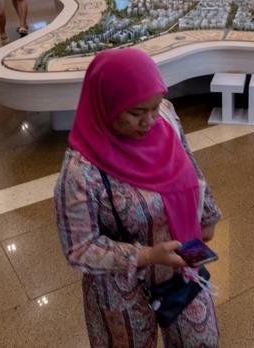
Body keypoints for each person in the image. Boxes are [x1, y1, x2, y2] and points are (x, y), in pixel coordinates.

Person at [55, 48, 221, 348]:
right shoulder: (82, 172)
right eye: (136, 112)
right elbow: (79, 248)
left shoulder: (166, 116)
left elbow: (187, 161)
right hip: (121, 290)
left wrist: (207, 212)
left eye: (154, 107)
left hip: (182, 270)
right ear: (107, 104)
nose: (150, 121)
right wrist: (145, 256)